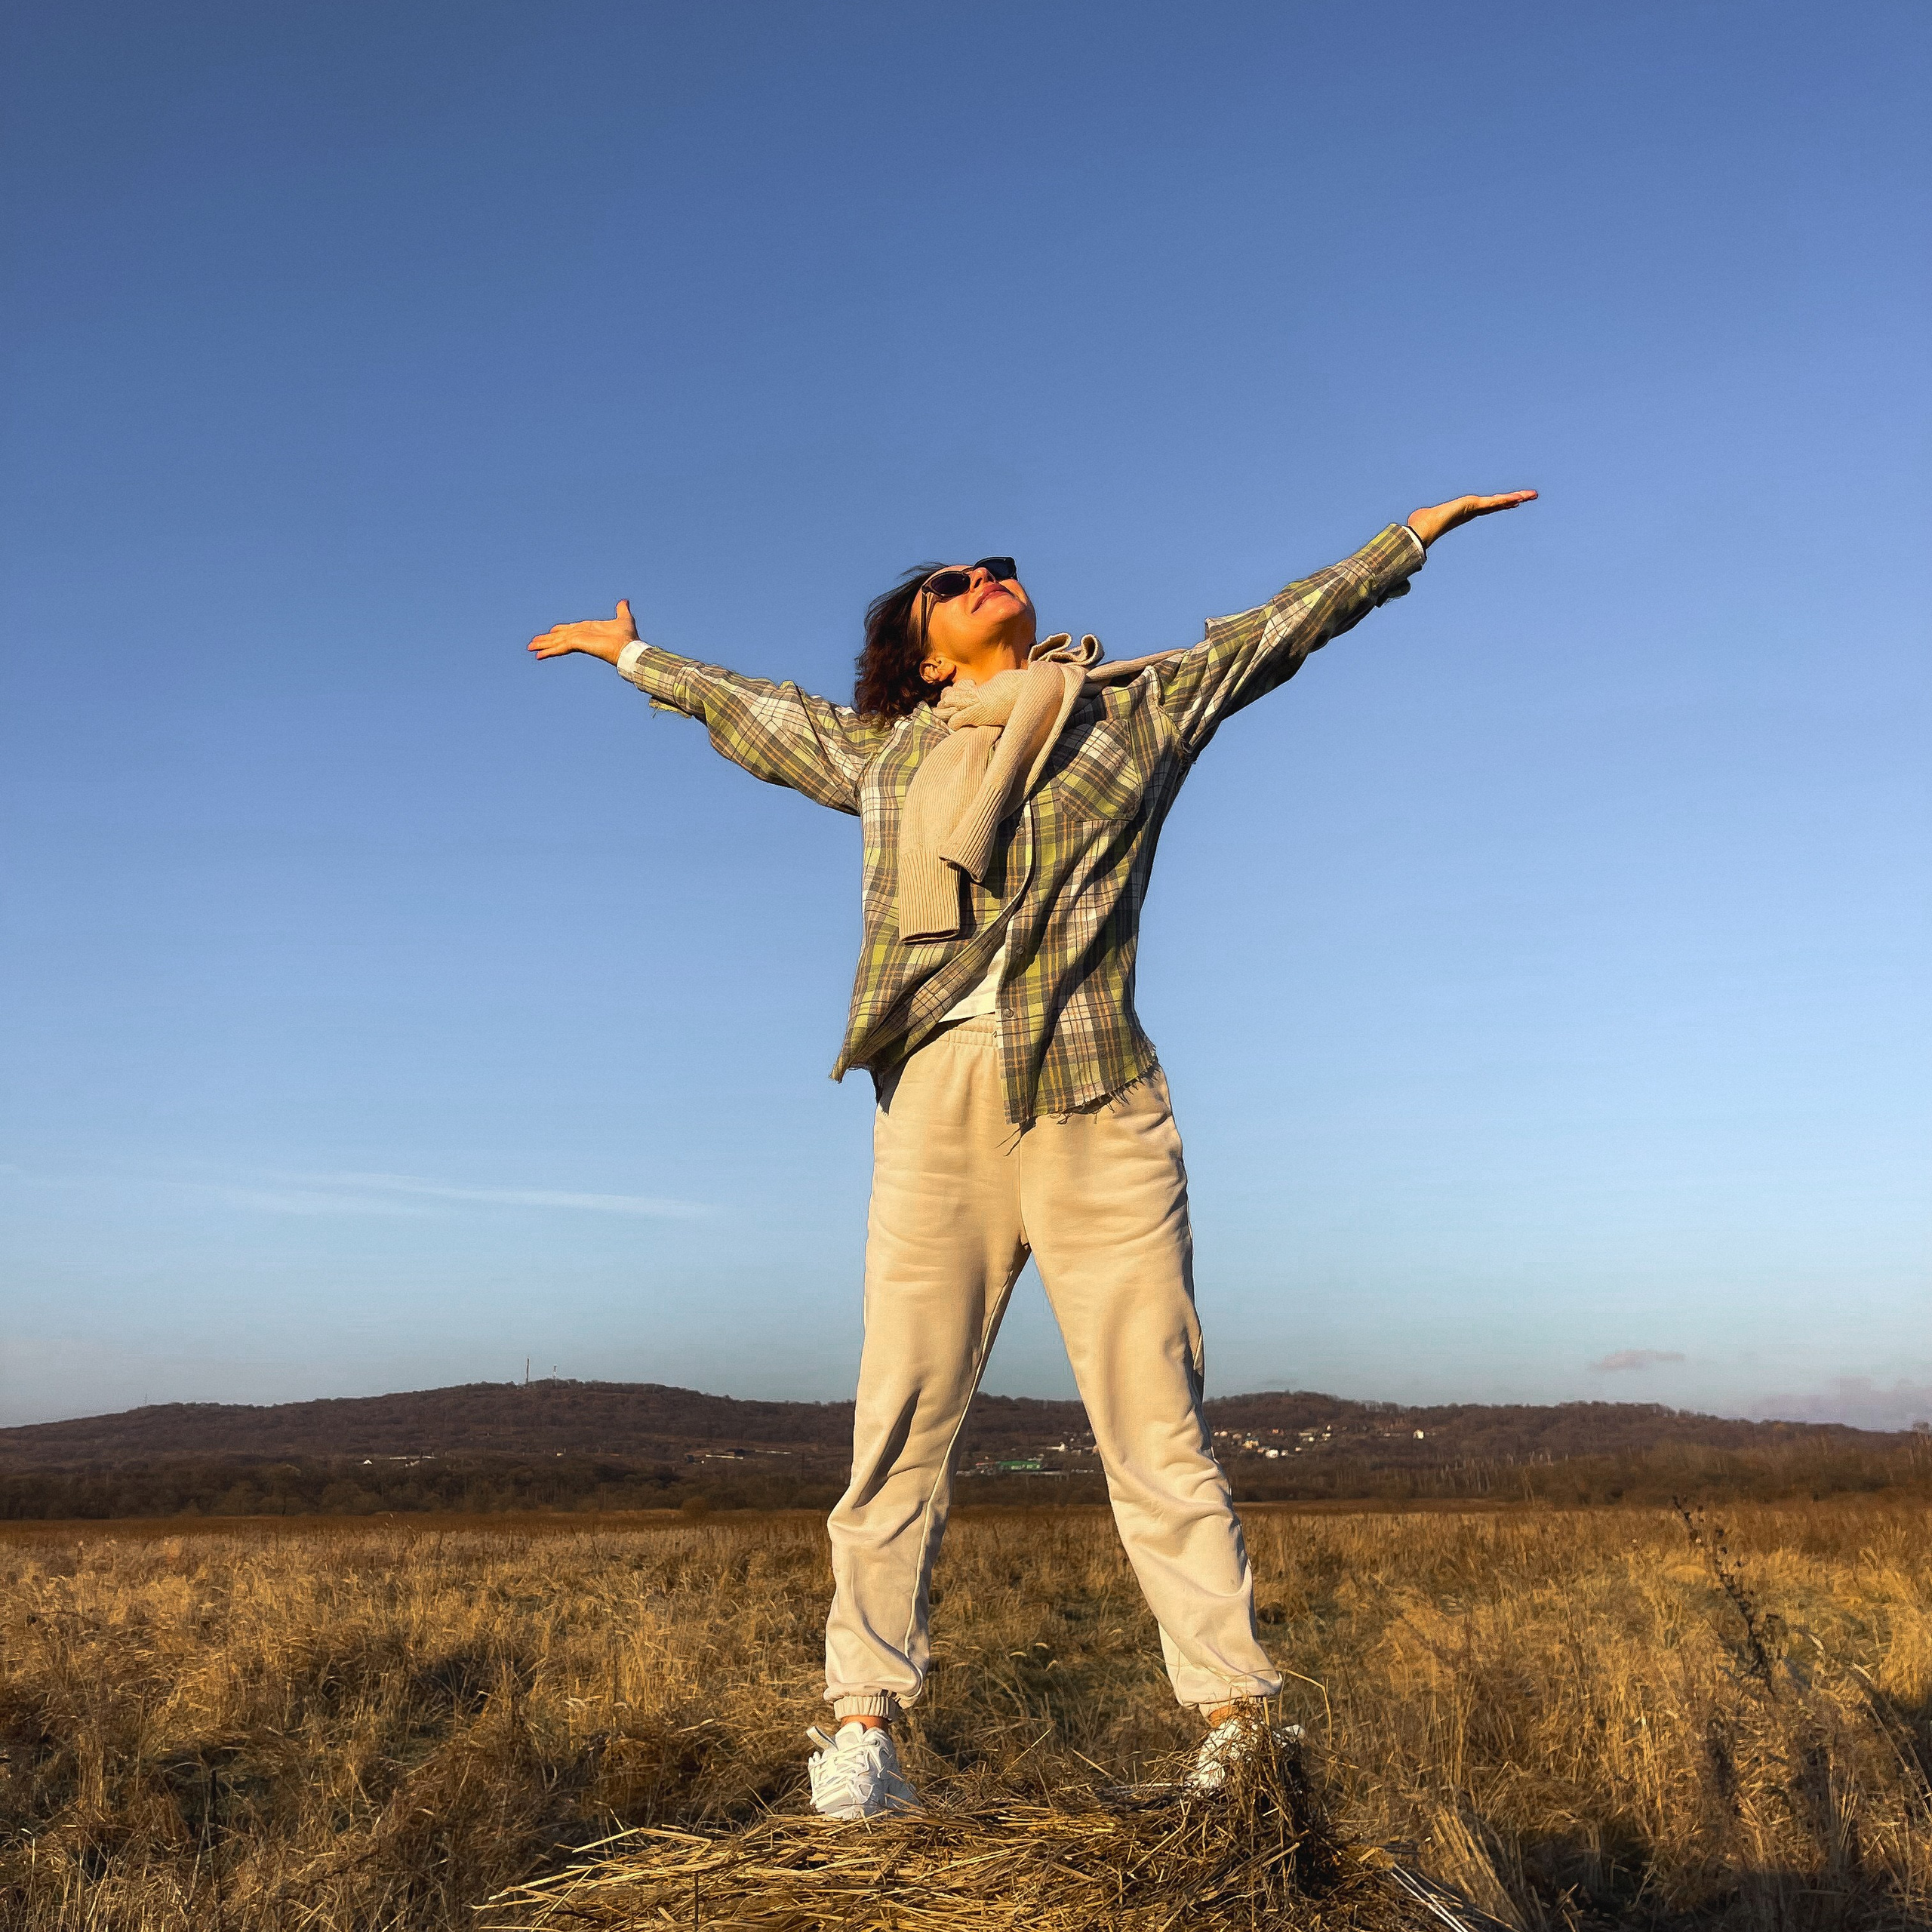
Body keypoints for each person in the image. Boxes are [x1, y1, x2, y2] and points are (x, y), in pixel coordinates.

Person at [529, 488, 1537, 1817]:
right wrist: (635, 659)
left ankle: (1236, 1725)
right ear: (926, 649)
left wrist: (1407, 537)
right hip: (935, 1103)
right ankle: (863, 1727)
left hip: (1094, 1100)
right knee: (900, 1422)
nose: (988, 574)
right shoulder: (887, 757)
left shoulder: (1133, 712)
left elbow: (1277, 631)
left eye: (998, 565)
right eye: (954, 580)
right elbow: (762, 721)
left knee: (1154, 1419)